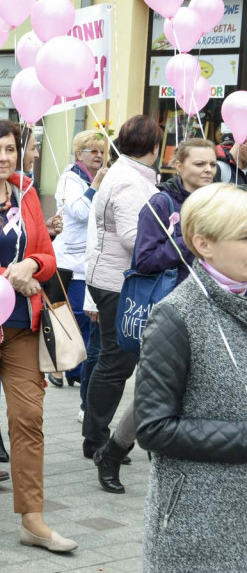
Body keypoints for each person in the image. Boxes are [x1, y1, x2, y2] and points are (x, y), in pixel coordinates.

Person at [0, 119, 76, 552]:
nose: (4, 158)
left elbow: (47, 256)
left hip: (25, 327)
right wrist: (5, 277)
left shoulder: (26, 192)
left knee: (28, 419)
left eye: (10, 149)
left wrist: (32, 265)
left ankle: (33, 519)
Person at [93, 138, 216, 494]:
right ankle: (114, 451)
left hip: (211, 304)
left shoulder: (218, 202)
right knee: (158, 387)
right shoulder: (160, 204)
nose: (207, 170)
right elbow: (144, 260)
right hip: (171, 308)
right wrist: (187, 237)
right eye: (199, 164)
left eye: (211, 164)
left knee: (186, 386)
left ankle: (154, 453)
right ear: (177, 165)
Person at [135, 183, 247, 573]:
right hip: (200, 519)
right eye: (246, 236)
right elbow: (153, 427)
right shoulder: (176, 315)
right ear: (204, 243)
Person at [82, 115, 162, 462]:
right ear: (155, 148)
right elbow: (134, 239)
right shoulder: (131, 181)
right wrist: (174, 244)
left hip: (115, 280)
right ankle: (97, 439)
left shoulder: (129, 174)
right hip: (118, 283)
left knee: (116, 360)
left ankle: (98, 435)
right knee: (117, 362)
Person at [51, 131, 108, 415]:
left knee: (86, 325)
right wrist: (96, 186)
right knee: (74, 320)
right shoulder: (70, 178)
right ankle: (65, 368)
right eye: (92, 151)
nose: (98, 156)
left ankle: (74, 371)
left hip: (93, 262)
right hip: (71, 261)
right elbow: (79, 212)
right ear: (78, 155)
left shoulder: (105, 177)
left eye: (102, 151)